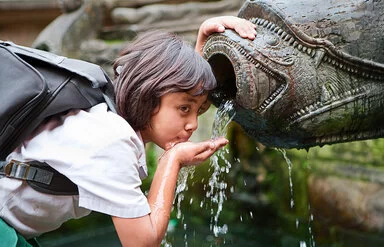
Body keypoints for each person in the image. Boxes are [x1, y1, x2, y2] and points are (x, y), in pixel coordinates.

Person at [0, 16, 256, 247]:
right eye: (184, 109)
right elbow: (142, 243)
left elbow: (177, 93)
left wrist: (202, 43)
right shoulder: (112, 140)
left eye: (197, 110)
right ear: (147, 98)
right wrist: (172, 160)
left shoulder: (109, 112)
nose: (193, 124)